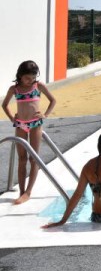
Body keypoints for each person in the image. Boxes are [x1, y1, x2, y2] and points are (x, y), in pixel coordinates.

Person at [2, 60, 57, 205]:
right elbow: (4, 104)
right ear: (20, 75)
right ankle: (21, 191)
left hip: (35, 125)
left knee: (34, 159)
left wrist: (45, 115)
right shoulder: (14, 89)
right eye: (27, 78)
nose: (30, 81)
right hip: (20, 125)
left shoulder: (38, 86)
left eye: (33, 77)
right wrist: (12, 118)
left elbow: (53, 100)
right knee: (22, 159)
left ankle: (28, 191)